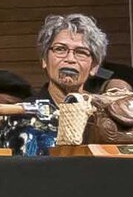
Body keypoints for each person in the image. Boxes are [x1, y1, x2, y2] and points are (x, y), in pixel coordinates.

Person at [23, 10, 110, 154]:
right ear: (44, 60)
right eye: (60, 49)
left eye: (81, 52)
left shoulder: (104, 116)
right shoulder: (23, 115)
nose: (70, 58)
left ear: (94, 67)